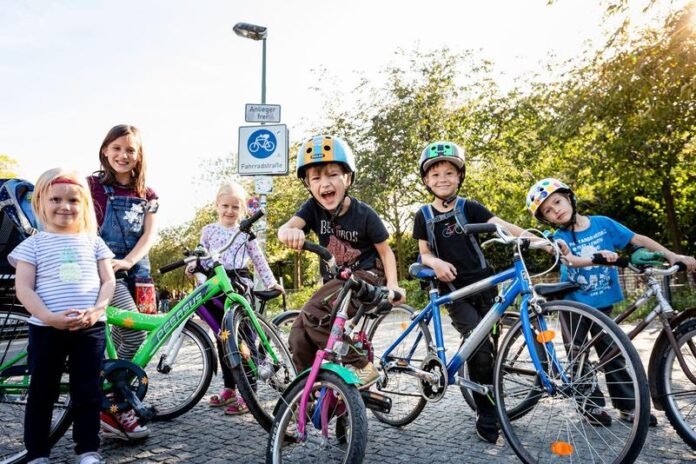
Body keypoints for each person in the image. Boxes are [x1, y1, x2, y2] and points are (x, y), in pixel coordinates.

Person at [526, 177, 696, 427]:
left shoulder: (603, 224)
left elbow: (638, 239)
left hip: (602, 302)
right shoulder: (557, 238)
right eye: (548, 211)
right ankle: (590, 405)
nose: (556, 211)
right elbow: (570, 260)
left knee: (613, 352)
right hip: (573, 303)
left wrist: (672, 255)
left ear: (570, 197)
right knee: (578, 354)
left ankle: (628, 407)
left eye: (558, 202)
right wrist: (597, 258)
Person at [413, 141, 546, 444]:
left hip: (486, 286)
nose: (442, 179)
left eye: (449, 173)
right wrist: (436, 263)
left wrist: (539, 241)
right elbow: (423, 253)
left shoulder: (470, 207)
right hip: (455, 290)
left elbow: (502, 226)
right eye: (435, 175)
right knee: (479, 341)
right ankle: (486, 414)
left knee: (487, 350)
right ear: (426, 181)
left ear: (459, 176)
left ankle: (484, 390)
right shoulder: (423, 215)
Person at [278, 134, 405, 386]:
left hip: (367, 279)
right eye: (316, 177)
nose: (324, 183)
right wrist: (288, 233)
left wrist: (393, 285)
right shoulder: (312, 209)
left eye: (332, 174)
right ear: (309, 185)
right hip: (338, 282)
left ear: (347, 178)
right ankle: (308, 389)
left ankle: (360, 366)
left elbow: (386, 251)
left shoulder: (364, 213)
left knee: (313, 310)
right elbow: (287, 228)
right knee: (298, 333)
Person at [10, 168, 115, 464]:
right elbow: (24, 288)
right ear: (41, 201)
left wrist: (97, 310)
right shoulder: (32, 245)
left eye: (73, 200)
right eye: (55, 198)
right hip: (46, 328)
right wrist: (47, 316)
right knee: (42, 391)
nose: (65, 206)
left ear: (83, 205)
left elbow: (108, 281)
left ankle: (88, 450)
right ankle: (37, 452)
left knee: (88, 390)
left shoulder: (94, 242)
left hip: (89, 328)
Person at [187, 181, 284, 415]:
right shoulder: (209, 230)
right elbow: (201, 254)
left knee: (244, 341)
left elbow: (258, 259)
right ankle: (230, 389)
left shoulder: (245, 233)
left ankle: (248, 393)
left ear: (243, 210)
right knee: (222, 338)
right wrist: (193, 264)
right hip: (214, 285)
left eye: (235, 207)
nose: (230, 211)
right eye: (225, 206)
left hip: (239, 286)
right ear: (217, 205)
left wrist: (271, 282)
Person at [88, 124, 158, 440]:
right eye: (116, 148)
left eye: (130, 149)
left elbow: (148, 234)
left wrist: (129, 261)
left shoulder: (148, 194)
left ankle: (114, 395)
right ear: (105, 150)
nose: (123, 155)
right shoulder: (91, 186)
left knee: (136, 335)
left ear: (139, 154)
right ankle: (113, 404)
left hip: (137, 272)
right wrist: (108, 263)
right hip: (104, 271)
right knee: (129, 331)